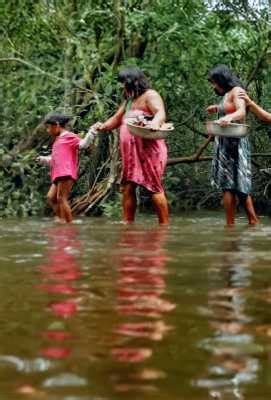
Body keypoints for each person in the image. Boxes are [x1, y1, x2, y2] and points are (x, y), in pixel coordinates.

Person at [93, 66, 169, 225]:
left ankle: (164, 226)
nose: (121, 86)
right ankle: (128, 225)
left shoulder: (150, 95)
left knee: (153, 187)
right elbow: (116, 119)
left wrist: (155, 123)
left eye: (123, 82)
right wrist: (103, 126)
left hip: (149, 151)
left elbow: (160, 112)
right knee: (128, 187)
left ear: (132, 81)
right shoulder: (129, 101)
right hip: (131, 155)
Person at [206, 64, 258, 226]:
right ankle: (234, 225)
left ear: (222, 79)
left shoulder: (236, 91)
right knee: (228, 186)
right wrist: (218, 108)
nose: (213, 86)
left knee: (238, 185)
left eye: (214, 82)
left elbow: (241, 111)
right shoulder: (227, 94)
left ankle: (247, 222)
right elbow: (229, 108)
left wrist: (229, 118)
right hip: (224, 143)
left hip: (236, 144)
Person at [37, 113, 97, 223]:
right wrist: (43, 159)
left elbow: (83, 144)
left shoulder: (69, 136)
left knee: (61, 198)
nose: (47, 130)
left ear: (57, 125)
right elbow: (55, 160)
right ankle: (62, 220)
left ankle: (69, 223)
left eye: (48, 127)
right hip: (58, 173)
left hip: (65, 173)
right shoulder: (57, 140)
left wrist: (92, 132)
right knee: (51, 198)